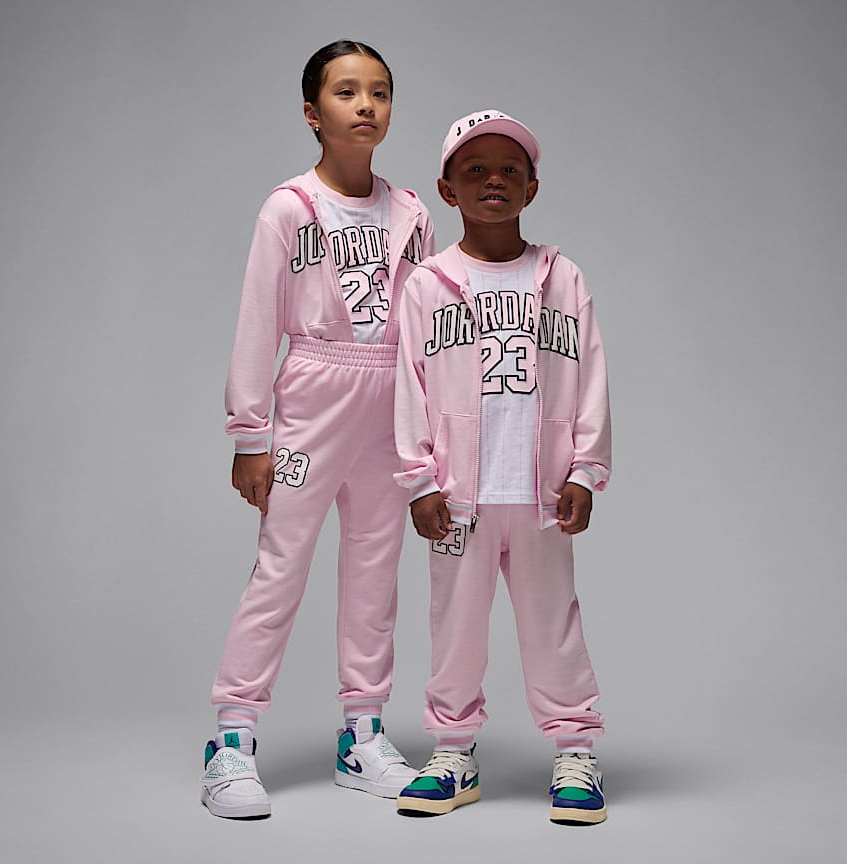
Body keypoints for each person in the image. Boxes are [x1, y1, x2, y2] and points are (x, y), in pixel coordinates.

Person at [201, 39, 435, 819]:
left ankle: (362, 735)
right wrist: (250, 434)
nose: (366, 104)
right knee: (281, 565)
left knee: (375, 568)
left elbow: (427, 332)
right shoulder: (288, 208)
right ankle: (232, 740)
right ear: (312, 112)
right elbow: (256, 319)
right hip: (313, 395)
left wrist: (429, 433)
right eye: (346, 91)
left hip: (389, 404)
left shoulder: (412, 214)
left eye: (380, 91)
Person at [393, 110, 611, 824]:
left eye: (510, 170)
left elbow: (591, 378)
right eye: (476, 169)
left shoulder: (562, 278)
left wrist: (585, 471)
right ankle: (453, 753)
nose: (494, 180)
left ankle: (575, 751)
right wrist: (420, 481)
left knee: (554, 626)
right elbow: (409, 387)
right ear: (447, 189)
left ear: (532, 187)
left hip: (543, 496)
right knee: (455, 625)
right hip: (460, 498)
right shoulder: (428, 284)